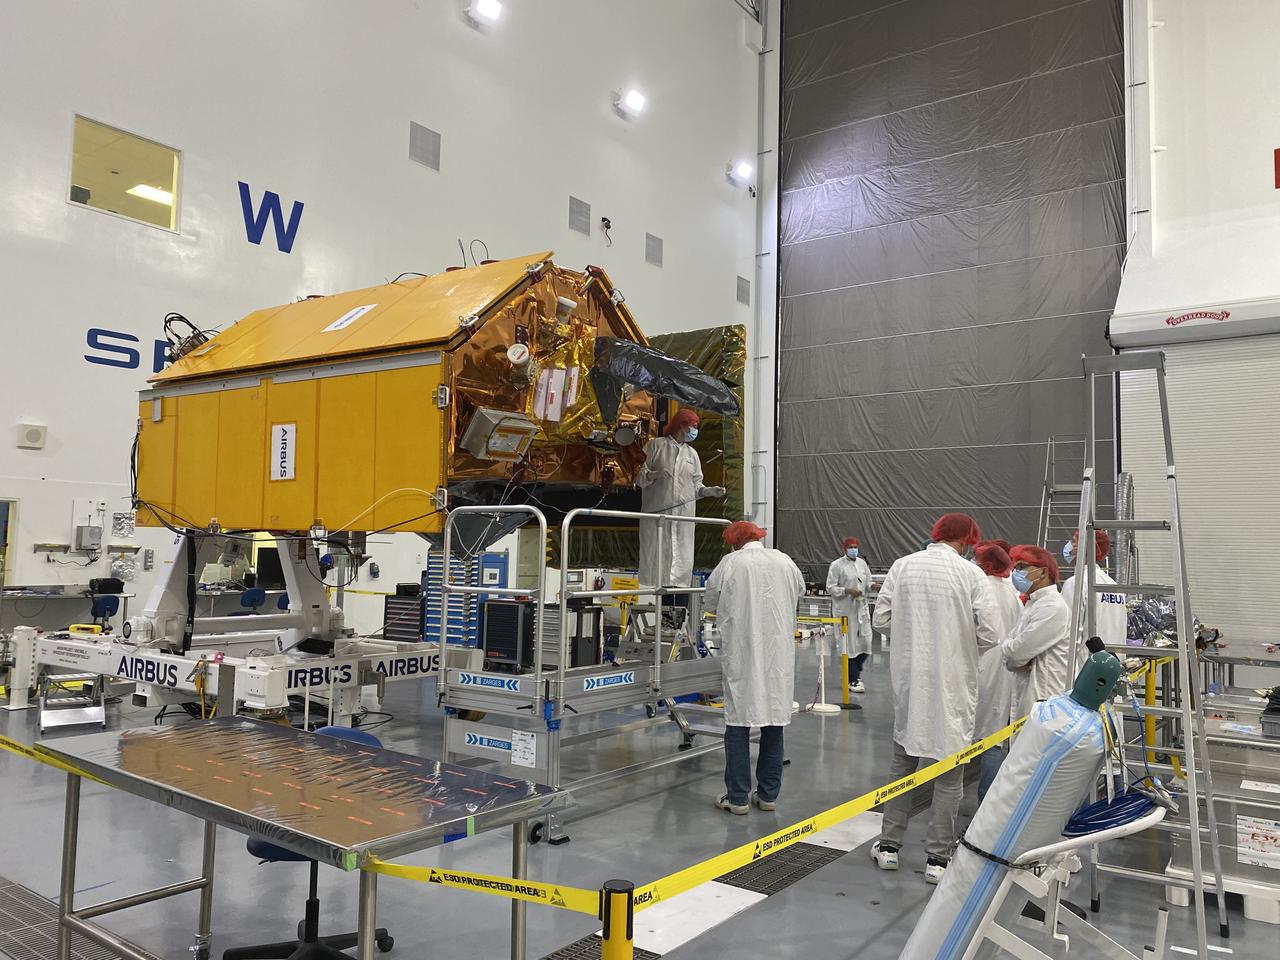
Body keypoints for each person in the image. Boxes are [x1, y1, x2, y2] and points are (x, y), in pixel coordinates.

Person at [870, 512, 1001, 884]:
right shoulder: (971, 574)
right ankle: (937, 860)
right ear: (967, 540)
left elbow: (881, 620)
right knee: (949, 778)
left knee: (902, 767)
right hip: (953, 688)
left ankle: (889, 847)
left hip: (911, 685)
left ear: (937, 534)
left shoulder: (902, 567)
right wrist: (959, 645)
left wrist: (911, 635)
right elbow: (990, 634)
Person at [704, 520, 806, 815]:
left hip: (742, 655)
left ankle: (738, 799)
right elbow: (799, 591)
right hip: (777, 657)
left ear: (735, 542)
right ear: (758, 537)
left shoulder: (731, 563)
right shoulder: (784, 561)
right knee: (774, 724)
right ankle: (768, 796)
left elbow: (710, 600)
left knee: (738, 725)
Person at [636, 409, 725, 590]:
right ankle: (656, 596)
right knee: (656, 561)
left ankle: (676, 596)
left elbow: (696, 487)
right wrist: (654, 475)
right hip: (657, 517)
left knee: (679, 567)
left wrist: (708, 491)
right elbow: (638, 477)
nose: (695, 430)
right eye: (693, 426)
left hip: (683, 519)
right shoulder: (655, 446)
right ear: (681, 425)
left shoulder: (692, 454)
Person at [972, 541, 1024, 801]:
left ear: (985, 565)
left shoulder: (980, 589)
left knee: (967, 735)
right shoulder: (1012, 592)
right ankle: (988, 800)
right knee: (994, 734)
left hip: (979, 665)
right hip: (1006, 670)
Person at [1002, 544, 1072, 721]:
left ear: (1043, 572)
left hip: (1044, 697)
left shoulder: (1052, 606)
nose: (1016, 573)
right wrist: (1013, 656)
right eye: (1015, 567)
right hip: (1029, 692)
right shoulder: (1033, 603)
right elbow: (1011, 648)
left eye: (1022, 567)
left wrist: (1014, 655)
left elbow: (1016, 652)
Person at [1061, 529, 1127, 657]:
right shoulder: (1114, 586)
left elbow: (1067, 632)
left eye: (1073, 541)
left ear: (1085, 548)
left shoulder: (1076, 583)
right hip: (1112, 663)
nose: (1069, 545)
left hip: (1085, 664)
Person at [825, 535, 872, 696]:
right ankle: (853, 679)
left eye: (855, 547)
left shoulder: (862, 563)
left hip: (861, 608)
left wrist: (874, 585)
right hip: (845, 610)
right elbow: (830, 587)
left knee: (866, 643)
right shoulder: (837, 565)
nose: (853, 550)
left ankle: (854, 670)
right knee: (848, 645)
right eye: (850, 547)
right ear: (844, 549)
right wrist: (847, 590)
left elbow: (867, 581)